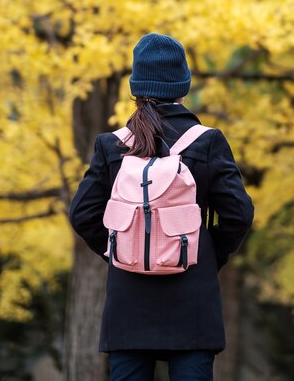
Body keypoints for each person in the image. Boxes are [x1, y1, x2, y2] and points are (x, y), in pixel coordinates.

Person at [69, 33, 254, 381]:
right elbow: (239, 214)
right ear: (183, 85)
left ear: (135, 88)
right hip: (192, 304)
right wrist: (207, 253)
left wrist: (119, 250)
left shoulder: (112, 145)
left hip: (128, 305)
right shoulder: (207, 141)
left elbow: (82, 214)